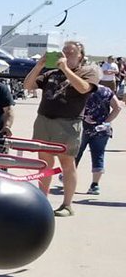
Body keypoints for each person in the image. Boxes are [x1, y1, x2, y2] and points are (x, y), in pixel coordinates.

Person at [24, 40, 100, 217]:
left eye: (71, 52)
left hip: (68, 123)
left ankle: (67, 205)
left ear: (80, 55)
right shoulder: (51, 73)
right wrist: (39, 65)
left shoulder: (88, 71)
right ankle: (42, 200)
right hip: (44, 120)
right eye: (64, 52)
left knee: (67, 163)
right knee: (44, 163)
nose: (66, 55)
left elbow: (84, 89)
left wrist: (66, 69)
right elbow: (28, 86)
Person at [75, 84, 122, 195]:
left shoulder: (81, 88)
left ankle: (67, 177)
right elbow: (118, 107)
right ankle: (95, 185)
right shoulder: (106, 90)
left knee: (75, 153)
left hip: (82, 128)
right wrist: (106, 122)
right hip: (102, 129)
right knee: (98, 156)